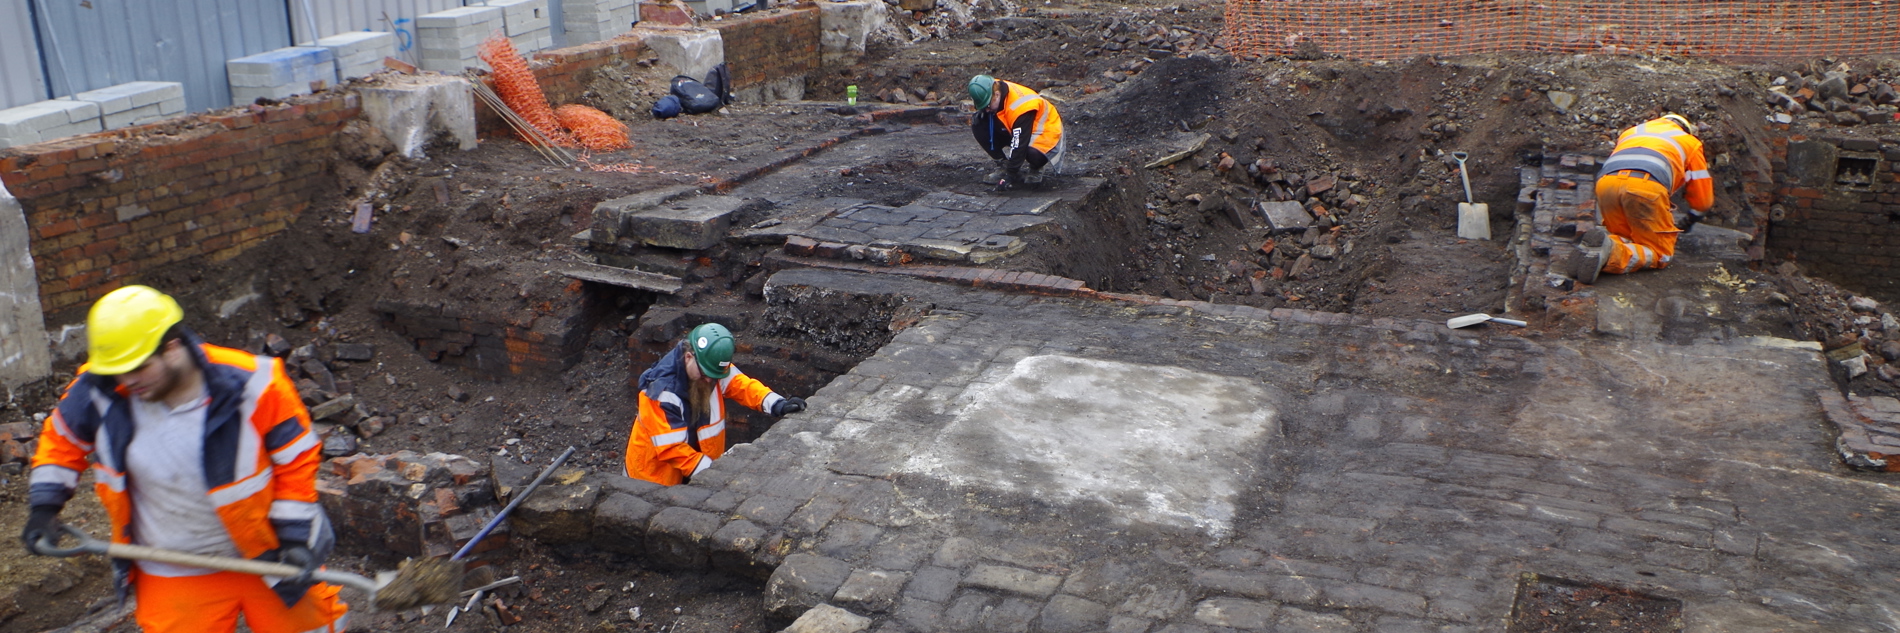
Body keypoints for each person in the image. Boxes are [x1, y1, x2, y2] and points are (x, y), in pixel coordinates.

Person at [21, 285, 347, 633]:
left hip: (267, 553)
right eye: (118, 370)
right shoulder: (99, 388)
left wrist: (296, 538)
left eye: (139, 368)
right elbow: (61, 442)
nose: (127, 380)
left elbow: (296, 459)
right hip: (174, 564)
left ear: (173, 348)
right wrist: (44, 508)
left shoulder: (252, 382)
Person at [625, 323, 805, 485]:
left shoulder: (710, 369)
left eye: (714, 376)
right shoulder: (660, 393)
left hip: (694, 467)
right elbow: (672, 450)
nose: (710, 380)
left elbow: (740, 384)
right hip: (653, 479)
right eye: (704, 375)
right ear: (688, 357)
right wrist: (714, 475)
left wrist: (776, 403)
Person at [1574, 113, 1713, 283]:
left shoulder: (1631, 132)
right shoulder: (1690, 142)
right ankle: (1608, 255)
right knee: (1661, 254)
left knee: (1626, 237)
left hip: (1606, 184)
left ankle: (1591, 250)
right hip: (1645, 186)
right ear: (1686, 129)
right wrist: (1693, 217)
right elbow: (1703, 197)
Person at [968, 74, 1067, 187]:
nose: (987, 109)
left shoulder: (1021, 107)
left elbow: (1019, 142)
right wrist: (984, 110)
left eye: (988, 106)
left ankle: (1036, 168)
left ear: (996, 95)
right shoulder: (990, 86)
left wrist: (1010, 175)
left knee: (1033, 154)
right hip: (1016, 126)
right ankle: (1003, 165)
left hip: (1046, 132)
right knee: (978, 123)